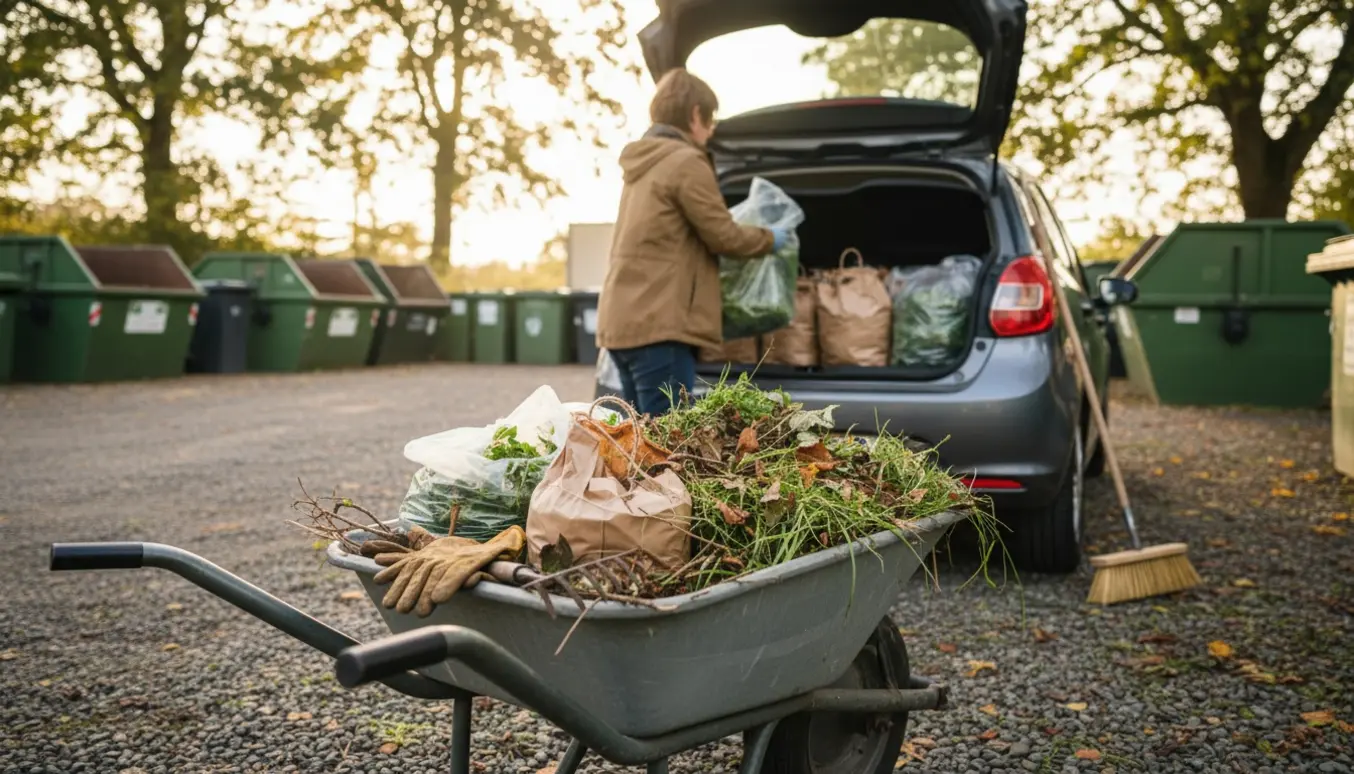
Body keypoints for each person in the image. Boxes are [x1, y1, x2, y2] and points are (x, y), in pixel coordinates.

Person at [595, 68, 789, 416]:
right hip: (659, 329)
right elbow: (724, 235)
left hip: (621, 324)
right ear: (695, 114)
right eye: (710, 118)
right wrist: (771, 238)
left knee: (638, 443)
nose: (712, 129)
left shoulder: (641, 166)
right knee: (667, 446)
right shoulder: (685, 161)